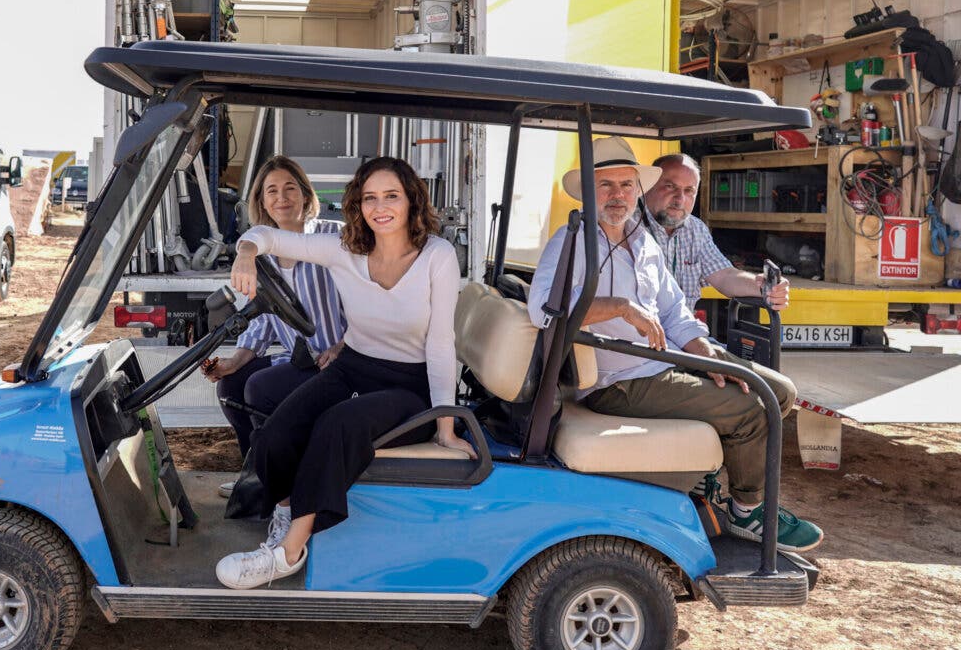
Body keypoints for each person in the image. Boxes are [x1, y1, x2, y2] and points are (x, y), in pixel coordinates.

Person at [528, 136, 821, 552]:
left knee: (781, 391)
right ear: (590, 191)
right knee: (754, 409)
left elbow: (673, 310)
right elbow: (542, 310)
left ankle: (707, 486)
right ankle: (746, 513)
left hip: (660, 362)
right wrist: (618, 306)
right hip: (620, 380)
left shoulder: (641, 239)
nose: (618, 196)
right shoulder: (572, 239)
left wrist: (704, 351)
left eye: (626, 185)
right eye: (606, 185)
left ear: (638, 190)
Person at [215, 156, 473, 589]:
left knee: (337, 425)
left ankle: (287, 552)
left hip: (409, 383)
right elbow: (265, 236)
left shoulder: (437, 256)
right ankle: (286, 508)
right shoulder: (343, 248)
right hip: (352, 365)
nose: (380, 206)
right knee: (277, 431)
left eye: (391, 195)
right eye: (370, 197)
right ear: (358, 204)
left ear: (411, 199)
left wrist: (444, 427)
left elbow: (441, 344)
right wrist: (245, 253)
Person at [202, 156, 347, 500]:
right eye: (272, 191)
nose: (281, 197)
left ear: (305, 195)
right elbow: (265, 321)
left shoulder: (332, 236)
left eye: (289, 188)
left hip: (340, 363)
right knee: (232, 385)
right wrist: (234, 361)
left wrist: (343, 345)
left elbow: (366, 302)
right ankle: (254, 473)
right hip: (301, 361)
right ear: (262, 202)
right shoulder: (262, 253)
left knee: (261, 387)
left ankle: (280, 481)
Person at [640, 153, 791, 313]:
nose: (680, 199)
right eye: (670, 187)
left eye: (689, 191)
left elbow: (724, 276)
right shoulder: (628, 226)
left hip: (681, 333)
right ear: (648, 185)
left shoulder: (695, 229)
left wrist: (763, 286)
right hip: (638, 333)